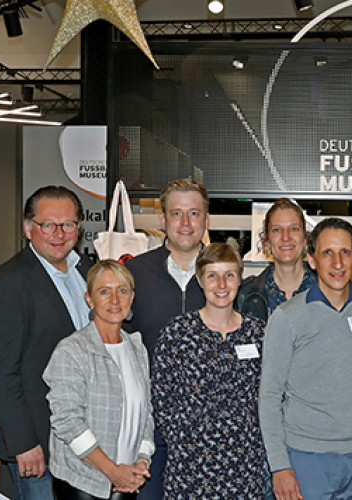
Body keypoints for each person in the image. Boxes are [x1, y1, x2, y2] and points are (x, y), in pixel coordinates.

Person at [260, 217, 352, 500]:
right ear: (311, 259)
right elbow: (270, 396)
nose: (337, 263)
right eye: (327, 253)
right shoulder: (288, 317)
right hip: (307, 459)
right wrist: (279, 466)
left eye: (345, 252)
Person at [0, 186, 94, 499]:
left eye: (68, 224)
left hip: (84, 438)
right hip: (38, 445)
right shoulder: (9, 282)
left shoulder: (86, 271)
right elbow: (1, 372)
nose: (59, 233)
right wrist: (22, 443)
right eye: (48, 225)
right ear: (29, 228)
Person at [153, 243, 269, 498]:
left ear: (240, 278)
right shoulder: (178, 332)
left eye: (229, 275)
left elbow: (271, 395)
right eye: (212, 276)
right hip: (191, 468)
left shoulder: (258, 333)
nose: (221, 284)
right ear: (199, 280)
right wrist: (184, 442)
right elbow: (162, 398)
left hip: (244, 468)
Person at [124, 178, 210, 500]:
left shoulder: (224, 274)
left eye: (193, 214)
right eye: (176, 214)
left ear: (206, 220)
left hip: (209, 427)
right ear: (162, 220)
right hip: (150, 426)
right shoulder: (134, 274)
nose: (185, 223)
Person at [44, 261, 155, 500]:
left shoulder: (137, 348)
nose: (114, 300)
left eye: (122, 290)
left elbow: (146, 414)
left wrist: (141, 462)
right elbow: (67, 421)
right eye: (104, 291)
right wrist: (112, 471)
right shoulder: (72, 351)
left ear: (132, 297)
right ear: (89, 299)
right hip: (83, 484)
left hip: (127, 480)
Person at [236, 198, 316, 322]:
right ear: (267, 241)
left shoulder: (326, 290)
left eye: (294, 229)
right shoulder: (244, 295)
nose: (286, 237)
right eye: (277, 230)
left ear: (305, 238)